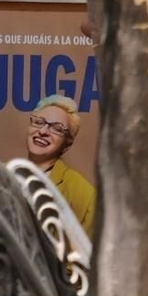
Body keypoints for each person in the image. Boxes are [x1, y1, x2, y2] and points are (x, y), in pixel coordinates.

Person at [23, 95, 96, 232]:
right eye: (39, 122)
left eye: (57, 128)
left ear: (67, 145)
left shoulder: (84, 195)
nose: (43, 131)